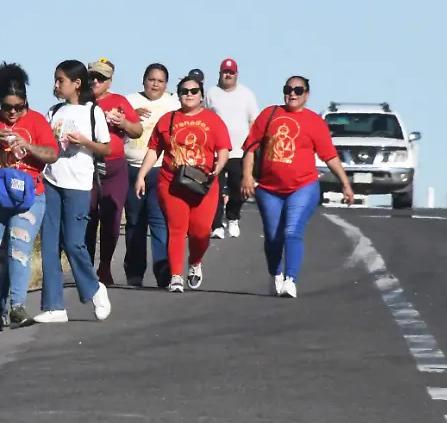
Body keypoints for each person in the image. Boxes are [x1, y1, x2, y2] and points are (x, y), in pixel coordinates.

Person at [0, 62, 58, 332]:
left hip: (28, 197)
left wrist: (27, 144)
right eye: (8, 108)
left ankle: (17, 306)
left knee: (19, 249)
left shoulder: (37, 120)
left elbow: (52, 154)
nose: (14, 112)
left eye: (20, 107)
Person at [242, 75, 354, 297]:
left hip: (303, 187)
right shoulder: (269, 114)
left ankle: (291, 279)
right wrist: (246, 176)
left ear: (307, 95)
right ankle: (276, 274)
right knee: (273, 237)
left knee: (292, 231)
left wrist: (345, 183)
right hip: (268, 189)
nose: (292, 93)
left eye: (298, 90)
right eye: (288, 89)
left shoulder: (314, 122)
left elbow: (329, 156)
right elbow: (251, 147)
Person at [134, 75, 231, 292]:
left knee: (201, 232)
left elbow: (223, 148)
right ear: (178, 95)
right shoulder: (167, 119)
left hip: (203, 184)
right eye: (184, 91)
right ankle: (176, 275)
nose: (189, 95)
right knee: (177, 228)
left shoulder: (213, 120)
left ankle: (195, 262)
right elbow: (154, 149)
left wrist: (219, 165)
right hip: (172, 182)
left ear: (201, 95)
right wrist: (141, 175)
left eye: (194, 91)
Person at [35, 60, 114, 323]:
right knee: (49, 245)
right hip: (50, 181)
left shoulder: (93, 112)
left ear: (76, 83)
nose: (56, 85)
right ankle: (53, 306)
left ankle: (94, 287)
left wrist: (84, 142)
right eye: (56, 80)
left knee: (73, 242)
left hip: (78, 183)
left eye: (61, 80)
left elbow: (106, 149)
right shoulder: (53, 111)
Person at [85, 58, 142, 285]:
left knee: (113, 217)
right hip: (86, 166)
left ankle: (105, 266)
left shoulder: (119, 102)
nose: (96, 81)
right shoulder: (80, 102)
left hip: (115, 166)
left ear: (110, 81)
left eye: (101, 78)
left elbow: (137, 130)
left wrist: (124, 123)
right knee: (87, 216)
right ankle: (86, 267)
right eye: (92, 77)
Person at [123, 63, 179, 288]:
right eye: (151, 79)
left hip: (161, 170)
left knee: (159, 221)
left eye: (160, 81)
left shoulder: (173, 104)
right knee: (135, 222)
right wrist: (130, 116)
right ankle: (134, 272)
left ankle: (163, 270)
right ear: (143, 80)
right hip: (131, 168)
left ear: (166, 84)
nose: (155, 84)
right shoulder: (129, 101)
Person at [204, 58, 258, 240]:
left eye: (231, 72)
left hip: (238, 151)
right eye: (224, 72)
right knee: (215, 190)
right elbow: (204, 118)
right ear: (219, 73)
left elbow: (253, 121)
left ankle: (233, 217)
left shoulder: (246, 94)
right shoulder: (211, 93)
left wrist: (253, 146)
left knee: (237, 187)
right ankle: (216, 225)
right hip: (216, 151)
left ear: (236, 74)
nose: (227, 75)